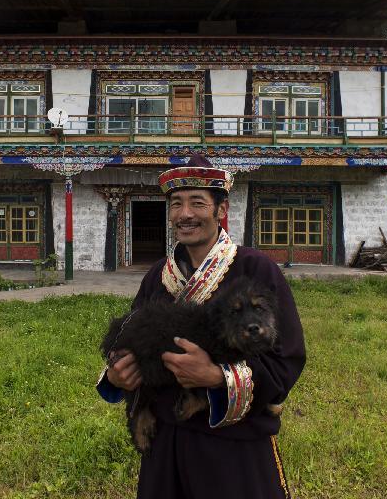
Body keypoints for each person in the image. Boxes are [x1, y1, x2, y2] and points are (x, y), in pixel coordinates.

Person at [97, 154, 306, 499]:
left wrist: (215, 377)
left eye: (197, 203)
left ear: (220, 210)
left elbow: (288, 359)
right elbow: (129, 341)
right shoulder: (157, 277)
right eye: (176, 204)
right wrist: (118, 375)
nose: (185, 214)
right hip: (165, 444)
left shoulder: (256, 270)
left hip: (233, 446)